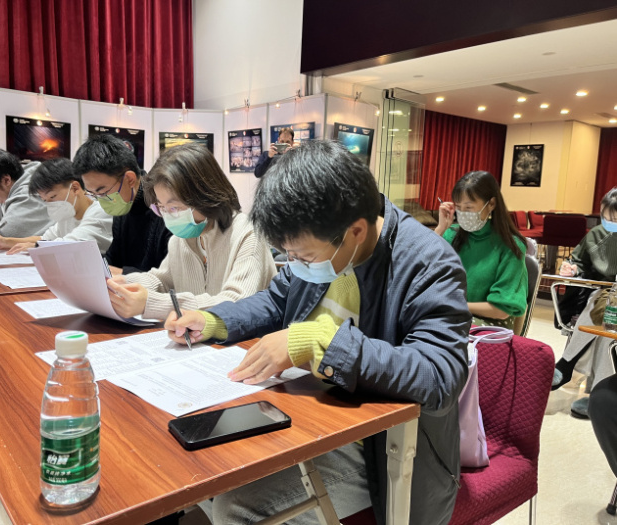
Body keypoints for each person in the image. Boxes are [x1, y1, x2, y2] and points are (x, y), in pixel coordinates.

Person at [165, 140, 471, 525]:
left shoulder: (428, 262)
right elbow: (277, 300)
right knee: (202, 468)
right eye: (287, 255)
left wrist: (317, 341)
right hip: (309, 413)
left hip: (377, 445)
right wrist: (213, 321)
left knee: (236, 505)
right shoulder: (317, 240)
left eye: (303, 257)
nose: (294, 265)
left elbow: (439, 375)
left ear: (356, 230)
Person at [106, 143, 277, 320]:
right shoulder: (181, 239)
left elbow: (235, 303)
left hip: (247, 344)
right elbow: (162, 280)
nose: (167, 218)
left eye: (174, 208)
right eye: (161, 208)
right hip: (198, 339)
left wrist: (151, 304)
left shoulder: (247, 233)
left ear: (205, 195)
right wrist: (124, 284)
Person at [552, 188, 617, 418]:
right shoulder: (596, 235)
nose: (610, 223)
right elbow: (578, 261)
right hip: (604, 296)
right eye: (606, 217)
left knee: (606, 317)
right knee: (604, 318)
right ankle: (600, 396)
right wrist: (571, 268)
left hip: (608, 299)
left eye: (615, 219)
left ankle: (567, 365)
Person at [435, 170, 528, 329]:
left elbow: (501, 310)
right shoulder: (451, 235)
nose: (463, 214)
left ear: (491, 204)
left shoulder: (510, 246)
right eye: (459, 207)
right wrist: (441, 228)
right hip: (450, 315)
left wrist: (453, 304)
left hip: (488, 326)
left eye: (469, 207)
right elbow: (419, 267)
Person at [72, 134, 171, 275]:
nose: (101, 200)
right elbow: (114, 257)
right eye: (93, 194)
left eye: (103, 192)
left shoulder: (166, 207)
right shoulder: (124, 204)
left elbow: (168, 279)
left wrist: (119, 273)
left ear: (130, 179)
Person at [0, 158, 113, 255]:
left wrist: (35, 246)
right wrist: (4, 242)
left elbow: (70, 244)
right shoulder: (68, 215)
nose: (50, 204)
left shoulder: (101, 212)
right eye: (45, 200)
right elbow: (45, 239)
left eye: (52, 197)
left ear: (75, 188)